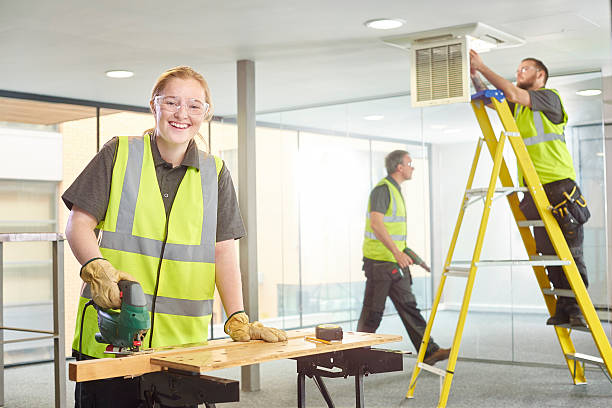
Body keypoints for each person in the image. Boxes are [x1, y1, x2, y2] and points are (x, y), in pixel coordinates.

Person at [63, 66, 287, 407]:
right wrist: (96, 267)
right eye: (171, 102)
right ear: (154, 106)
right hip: (112, 337)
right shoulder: (119, 153)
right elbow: (78, 223)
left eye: (195, 106)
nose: (182, 114)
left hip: (183, 348)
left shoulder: (216, 173)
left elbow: (223, 251)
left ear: (206, 114)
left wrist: (237, 315)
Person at [469, 50, 589, 328]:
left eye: (525, 69)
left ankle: (578, 307)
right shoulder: (519, 107)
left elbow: (510, 93)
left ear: (540, 75)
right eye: (518, 69)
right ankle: (564, 306)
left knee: (569, 252)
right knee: (548, 252)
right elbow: (491, 100)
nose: (519, 73)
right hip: (533, 189)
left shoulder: (550, 98)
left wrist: (483, 65)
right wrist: (475, 75)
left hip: (559, 186)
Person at [357, 150, 450, 366]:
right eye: (410, 163)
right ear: (399, 167)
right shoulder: (383, 190)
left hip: (394, 262)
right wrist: (397, 253)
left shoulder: (395, 190)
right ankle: (356, 356)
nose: (412, 167)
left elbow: (396, 235)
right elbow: (376, 224)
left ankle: (429, 351)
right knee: (372, 314)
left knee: (409, 306)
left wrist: (413, 257)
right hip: (380, 263)